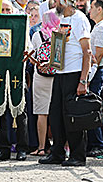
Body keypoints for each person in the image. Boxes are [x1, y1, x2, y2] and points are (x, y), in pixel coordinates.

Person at [39, 0, 91, 167]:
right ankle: (57, 152)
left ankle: (78, 155)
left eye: (56, 1)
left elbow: (87, 52)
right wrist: (52, 63)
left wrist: (83, 80)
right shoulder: (63, 19)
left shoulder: (80, 20)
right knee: (56, 114)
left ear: (64, 2)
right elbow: (62, 47)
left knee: (73, 116)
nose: (54, 5)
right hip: (61, 73)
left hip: (74, 73)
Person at [0, 0, 29, 162]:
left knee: (20, 114)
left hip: (16, 75)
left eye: (8, 9)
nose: (5, 12)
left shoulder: (20, 27)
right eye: (2, 9)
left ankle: (22, 148)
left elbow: (27, 47)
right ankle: (4, 149)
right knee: (0, 113)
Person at [29, 11, 60, 157]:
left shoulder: (37, 35)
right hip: (57, 76)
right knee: (58, 113)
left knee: (42, 113)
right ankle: (61, 146)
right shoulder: (60, 35)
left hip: (40, 77)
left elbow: (32, 56)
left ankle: (41, 147)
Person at [86, 0, 103, 157]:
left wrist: (87, 78)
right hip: (95, 71)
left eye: (92, 7)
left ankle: (98, 144)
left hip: (96, 72)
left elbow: (97, 57)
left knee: (93, 108)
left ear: (99, 9)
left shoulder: (101, 29)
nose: (89, 10)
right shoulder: (98, 27)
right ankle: (96, 143)